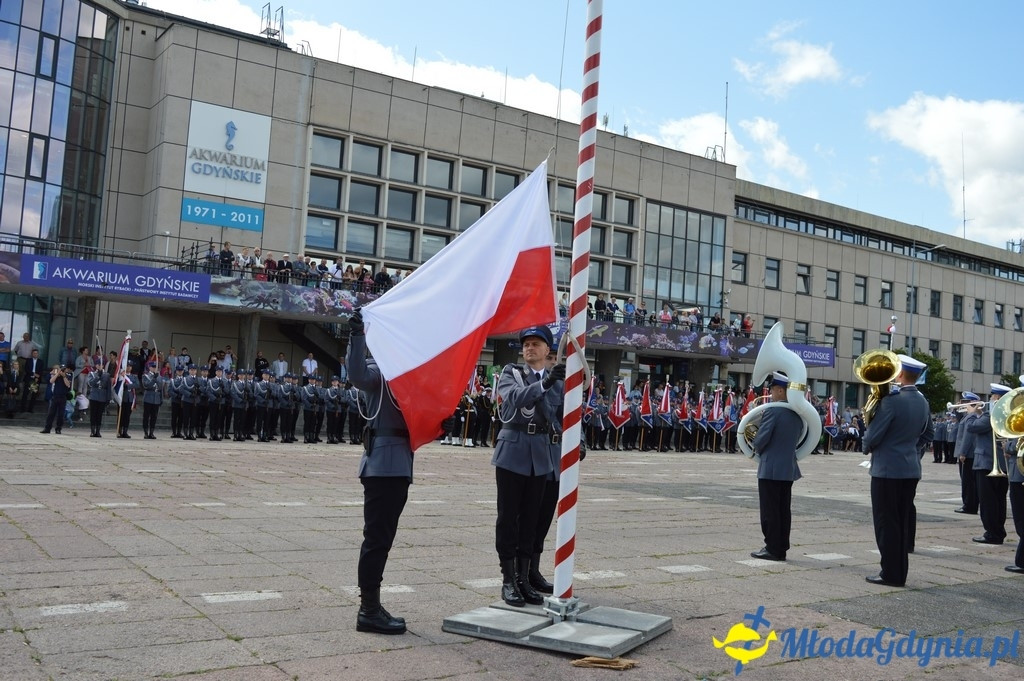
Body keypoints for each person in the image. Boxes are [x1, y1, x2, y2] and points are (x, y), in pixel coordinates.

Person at [347, 309, 412, 635]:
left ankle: (372, 606)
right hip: (382, 465)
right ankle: (368, 609)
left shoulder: (410, 375)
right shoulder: (379, 370)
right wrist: (357, 336)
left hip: (400, 464)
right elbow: (356, 374)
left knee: (383, 539)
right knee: (376, 539)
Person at [492, 325, 563, 607]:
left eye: (536, 344)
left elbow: (558, 414)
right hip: (512, 451)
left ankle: (524, 577)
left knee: (532, 520)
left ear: (548, 351)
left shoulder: (555, 378)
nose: (530, 348)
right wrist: (544, 384)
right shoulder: (512, 374)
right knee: (508, 518)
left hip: (541, 454)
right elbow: (514, 399)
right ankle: (508, 580)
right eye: (526, 344)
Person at [861, 355, 932, 587]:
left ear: (899, 374)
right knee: (901, 522)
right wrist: (910, 449)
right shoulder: (923, 401)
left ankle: (890, 573)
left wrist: (867, 445)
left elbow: (873, 436)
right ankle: (899, 572)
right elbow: (927, 435)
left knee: (886, 522)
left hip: (886, 470)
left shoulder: (891, 401)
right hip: (910, 469)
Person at [750, 373, 802, 561]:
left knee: (770, 511)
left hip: (770, 469)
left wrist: (754, 434)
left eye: (772, 390)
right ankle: (781, 547)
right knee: (783, 510)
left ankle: (772, 548)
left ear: (780, 390)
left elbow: (761, 440)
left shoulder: (772, 411)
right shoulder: (797, 413)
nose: (770, 394)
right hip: (787, 469)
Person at [967, 384, 1011, 545]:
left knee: (988, 501)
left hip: (986, 462)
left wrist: (972, 414)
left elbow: (972, 427)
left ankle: (992, 532)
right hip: (1003, 464)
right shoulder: (1007, 414)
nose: (990, 399)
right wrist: (979, 413)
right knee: (999, 499)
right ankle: (998, 530)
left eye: (992, 396)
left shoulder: (991, 415)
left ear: (998, 398)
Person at [1006, 434, 1024, 574]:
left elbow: (1016, 446)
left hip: (1020, 476)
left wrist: (1007, 446)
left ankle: (1022, 561)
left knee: (1021, 520)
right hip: (1017, 473)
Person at [41, 364, 72, 434]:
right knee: (51, 414)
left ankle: (58, 428)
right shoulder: (57, 376)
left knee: (61, 414)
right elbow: (51, 381)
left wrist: (64, 376)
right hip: (55, 396)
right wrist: (57, 374)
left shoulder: (68, 376)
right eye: (61, 369)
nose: (62, 371)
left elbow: (68, 385)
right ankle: (47, 428)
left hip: (63, 397)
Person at [87, 366, 111, 437]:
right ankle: (92, 430)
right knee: (93, 414)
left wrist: (108, 398)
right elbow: (90, 383)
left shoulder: (106, 375)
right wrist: (98, 376)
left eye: (100, 364)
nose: (99, 366)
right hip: (94, 396)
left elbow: (108, 387)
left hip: (102, 396)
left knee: (99, 415)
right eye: (97, 364)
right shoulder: (92, 374)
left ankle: (98, 431)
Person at [142, 361, 163, 439]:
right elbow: (146, 386)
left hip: (156, 398)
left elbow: (161, 389)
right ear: (149, 367)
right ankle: (146, 432)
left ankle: (151, 432)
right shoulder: (145, 376)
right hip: (148, 398)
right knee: (146, 416)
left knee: (154, 416)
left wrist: (161, 399)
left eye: (156, 367)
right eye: (153, 367)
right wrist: (154, 379)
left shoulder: (159, 376)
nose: (154, 368)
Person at [21, 348, 43, 413]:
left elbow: (41, 371)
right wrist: (33, 374)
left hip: (35, 380)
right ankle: (23, 409)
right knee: (25, 394)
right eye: (34, 353)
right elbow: (26, 369)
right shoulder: (28, 360)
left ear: (38, 354)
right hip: (28, 378)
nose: (35, 354)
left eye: (36, 353)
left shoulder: (40, 361)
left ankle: (30, 409)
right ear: (32, 354)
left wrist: (37, 377)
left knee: (33, 395)